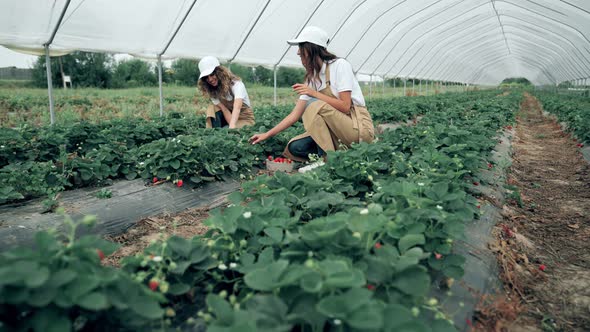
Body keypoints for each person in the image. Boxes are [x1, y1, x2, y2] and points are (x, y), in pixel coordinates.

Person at [249, 26, 374, 164]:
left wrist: (314, 93)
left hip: (358, 129)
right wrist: (267, 134)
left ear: (310, 49)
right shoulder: (312, 78)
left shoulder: (340, 65)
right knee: (295, 147)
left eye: (301, 49)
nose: (298, 53)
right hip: (334, 131)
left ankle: (326, 161)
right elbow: (294, 115)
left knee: (313, 105)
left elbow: (345, 106)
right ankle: (339, 153)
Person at [198, 56, 255, 129]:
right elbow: (224, 109)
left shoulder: (236, 84)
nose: (210, 79)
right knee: (212, 108)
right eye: (206, 77)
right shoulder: (212, 91)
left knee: (229, 129)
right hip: (229, 117)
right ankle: (213, 132)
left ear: (219, 72)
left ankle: (224, 130)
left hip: (244, 118)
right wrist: (231, 126)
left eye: (212, 75)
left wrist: (231, 128)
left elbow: (237, 108)